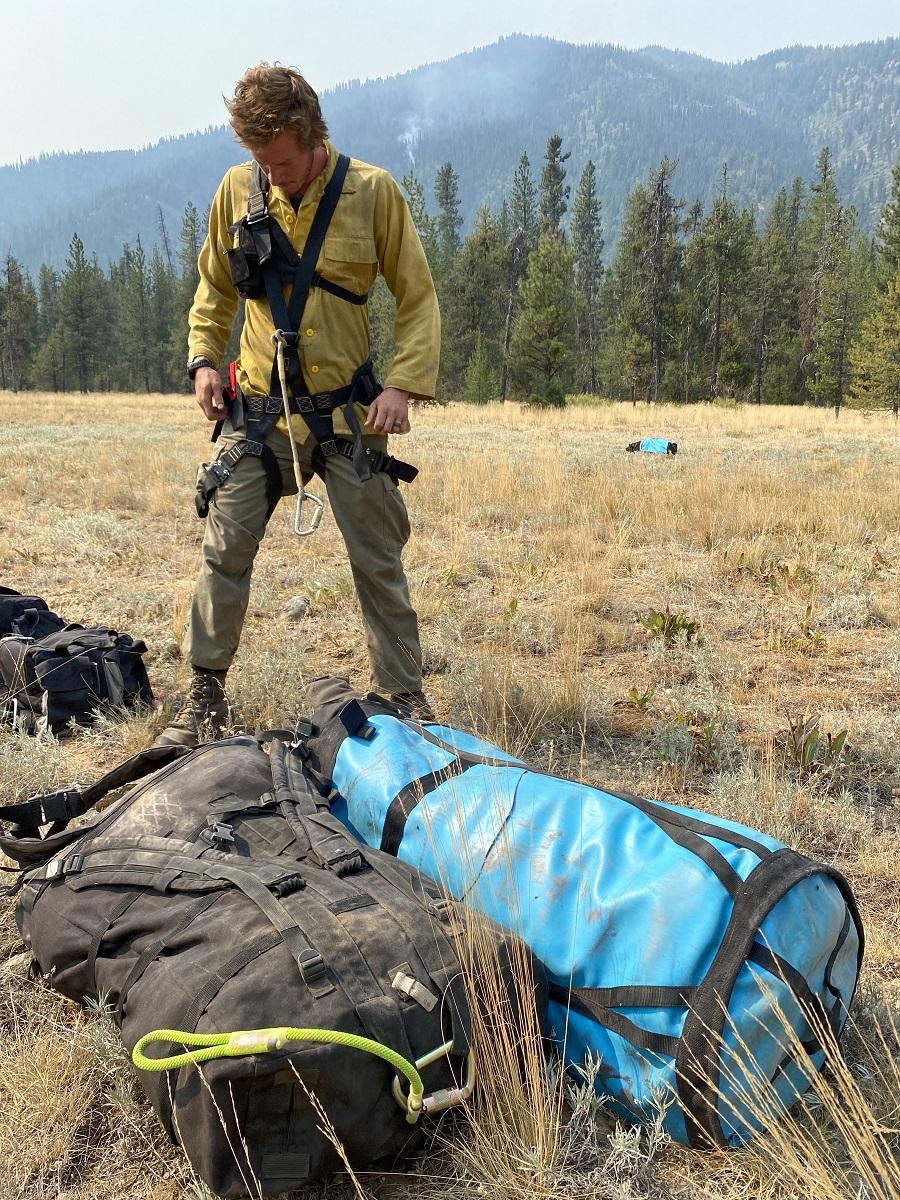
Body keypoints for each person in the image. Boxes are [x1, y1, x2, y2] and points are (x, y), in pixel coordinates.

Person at [156, 63, 439, 747]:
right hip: (256, 413)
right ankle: (204, 697)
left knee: (378, 557)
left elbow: (418, 297)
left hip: (347, 418)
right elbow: (213, 290)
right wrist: (202, 361)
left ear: (311, 135)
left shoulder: (373, 194)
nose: (270, 173)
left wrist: (402, 385)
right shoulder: (236, 191)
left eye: (280, 160)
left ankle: (404, 698)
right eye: (259, 160)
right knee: (224, 548)